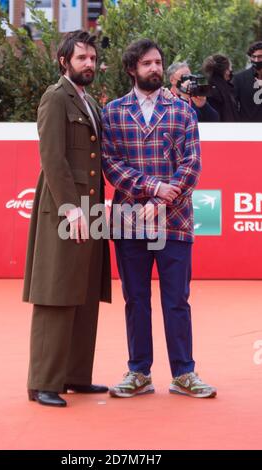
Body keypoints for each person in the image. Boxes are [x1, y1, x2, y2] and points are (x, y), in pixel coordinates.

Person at [102, 39, 216, 399]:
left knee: (177, 300)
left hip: (176, 220)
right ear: (131, 69)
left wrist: (167, 197)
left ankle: (184, 373)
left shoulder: (182, 111)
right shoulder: (114, 112)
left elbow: (192, 164)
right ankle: (138, 372)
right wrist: (153, 188)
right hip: (129, 221)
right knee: (135, 299)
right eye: (147, 63)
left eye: (158, 62)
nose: (154, 68)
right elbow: (111, 164)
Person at [23, 30, 111, 407]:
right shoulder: (56, 97)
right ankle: (43, 381)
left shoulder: (88, 100)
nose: (89, 64)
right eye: (81, 58)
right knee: (56, 292)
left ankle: (75, 376)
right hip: (66, 209)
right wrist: (70, 208)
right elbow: (52, 158)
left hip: (91, 209)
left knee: (85, 292)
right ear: (64, 61)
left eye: (92, 58)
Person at [202, 53, 239, 122]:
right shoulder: (226, 89)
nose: (231, 71)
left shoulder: (208, 89)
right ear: (226, 71)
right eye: (230, 68)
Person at [233, 41, 262, 122]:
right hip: (247, 128)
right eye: (254, 57)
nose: (256, 60)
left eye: (260, 56)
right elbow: (232, 106)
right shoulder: (239, 78)